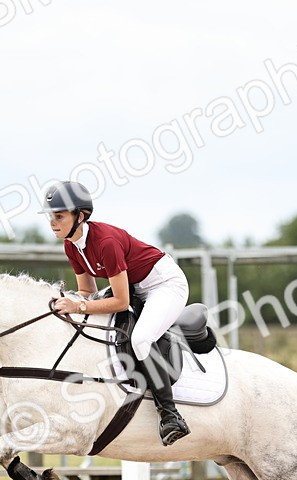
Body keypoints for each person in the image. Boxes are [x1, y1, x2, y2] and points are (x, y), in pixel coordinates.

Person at [45, 180, 190, 446]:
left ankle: (171, 414)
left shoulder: (106, 242)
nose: (52, 222)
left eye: (59, 216)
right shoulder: (71, 245)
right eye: (50, 216)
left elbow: (121, 301)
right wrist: (67, 301)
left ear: (81, 216)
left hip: (165, 284)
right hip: (137, 288)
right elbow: (87, 291)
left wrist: (78, 306)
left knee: (141, 339)